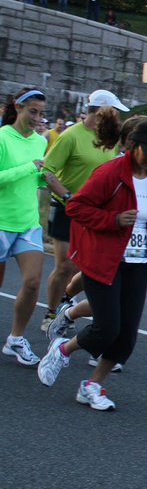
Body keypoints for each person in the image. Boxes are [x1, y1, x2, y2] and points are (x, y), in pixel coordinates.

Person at [36, 121, 147, 410]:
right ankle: (62, 350)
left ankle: (91, 386)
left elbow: (145, 222)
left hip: (137, 263)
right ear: (133, 145)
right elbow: (76, 206)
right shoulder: (110, 172)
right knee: (107, 328)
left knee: (126, 336)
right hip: (104, 259)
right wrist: (112, 220)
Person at [39, 90, 127, 333]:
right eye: (115, 111)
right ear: (101, 111)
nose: (117, 117)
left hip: (94, 213)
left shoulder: (109, 138)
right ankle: (51, 312)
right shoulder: (70, 136)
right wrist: (69, 197)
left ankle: (65, 299)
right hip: (66, 208)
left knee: (84, 266)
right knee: (65, 264)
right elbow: (47, 172)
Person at [0, 88, 49, 367]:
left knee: (31, 284)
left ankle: (16, 339)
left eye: (42, 113)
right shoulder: (2, 137)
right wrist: (30, 168)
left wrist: (45, 178)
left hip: (28, 223)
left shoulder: (40, 142)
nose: (38, 118)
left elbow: (36, 181)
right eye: (33, 111)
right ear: (18, 108)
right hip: (1, 222)